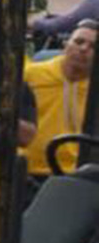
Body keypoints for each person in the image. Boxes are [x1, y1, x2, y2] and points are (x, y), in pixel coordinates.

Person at [23, 19, 95, 178]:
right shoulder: (31, 74)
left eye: (93, 47)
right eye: (79, 42)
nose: (84, 49)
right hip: (25, 172)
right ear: (65, 45)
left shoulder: (94, 91)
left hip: (74, 178)